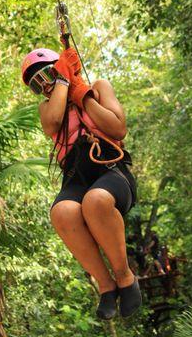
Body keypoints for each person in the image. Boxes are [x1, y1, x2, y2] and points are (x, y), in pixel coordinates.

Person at [21, 45, 142, 319]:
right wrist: (63, 80)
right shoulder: (47, 109)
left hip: (111, 168)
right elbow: (53, 122)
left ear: (63, 67)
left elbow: (118, 128)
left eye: (48, 75)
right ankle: (106, 285)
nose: (45, 85)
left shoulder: (99, 87)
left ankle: (124, 277)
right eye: (37, 84)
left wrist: (83, 96)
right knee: (62, 212)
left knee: (96, 200)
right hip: (76, 175)